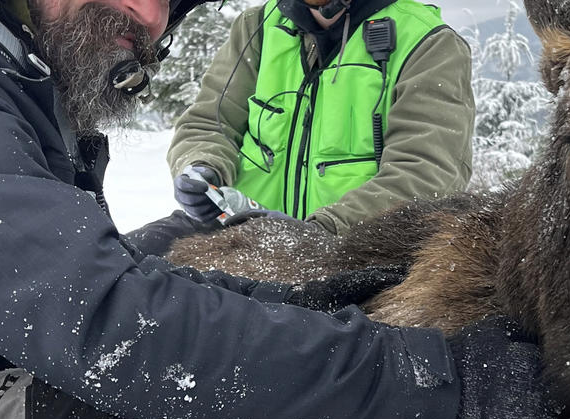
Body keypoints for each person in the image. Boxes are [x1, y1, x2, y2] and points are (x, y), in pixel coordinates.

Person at [0, 0, 550, 419]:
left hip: (332, 246)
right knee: (163, 415)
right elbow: (113, 322)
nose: (152, 20)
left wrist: (319, 285)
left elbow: (427, 171)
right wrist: (436, 381)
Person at [152, 0, 473, 248]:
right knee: (129, 265)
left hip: (351, 257)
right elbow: (210, 122)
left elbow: (426, 174)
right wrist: (201, 166)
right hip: (238, 240)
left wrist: (320, 232)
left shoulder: (428, 42)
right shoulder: (258, 28)